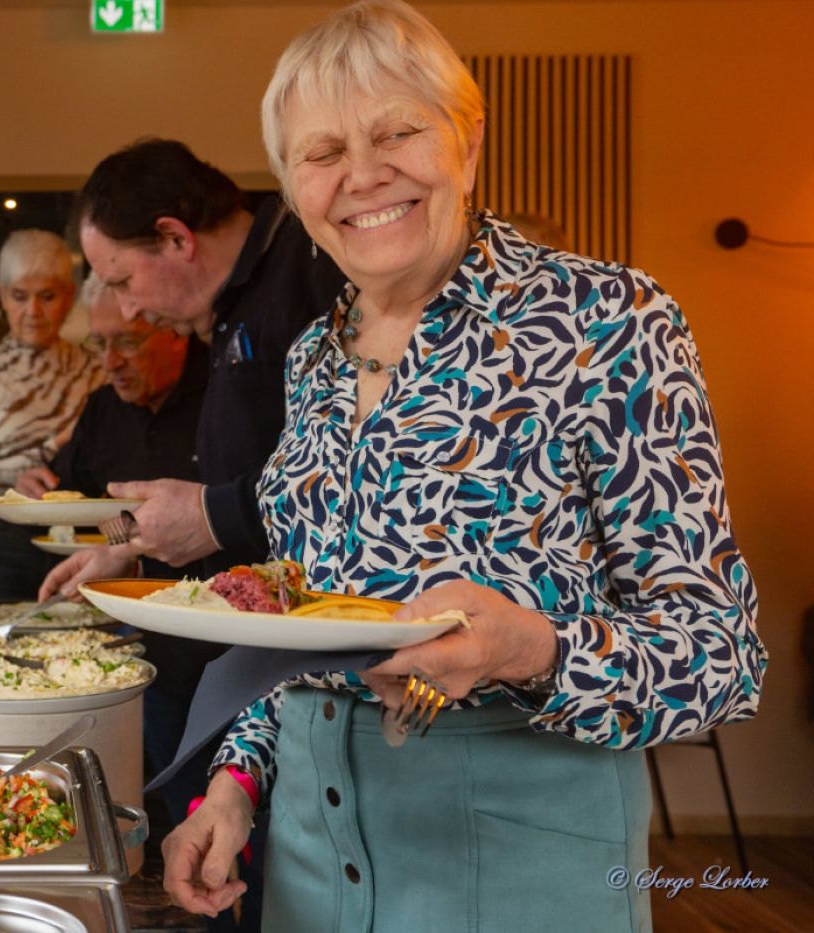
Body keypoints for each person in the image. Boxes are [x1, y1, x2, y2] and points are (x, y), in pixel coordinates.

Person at [159, 3, 766, 931]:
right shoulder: (314, 362)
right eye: (322, 155)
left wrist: (533, 649)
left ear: (468, 140)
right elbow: (302, 635)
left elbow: (722, 653)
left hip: (522, 856)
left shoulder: (607, 323)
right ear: (293, 189)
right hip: (310, 868)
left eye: (398, 131)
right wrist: (234, 785)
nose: (364, 175)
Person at [41, 139, 345, 590]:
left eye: (123, 282)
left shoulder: (313, 265)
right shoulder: (221, 314)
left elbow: (355, 466)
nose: (127, 310)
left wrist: (213, 515)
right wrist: (126, 553)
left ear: (177, 238)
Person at [15, 276, 219, 823]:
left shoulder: (227, 396)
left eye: (125, 342)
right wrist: (40, 487)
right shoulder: (103, 410)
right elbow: (84, 505)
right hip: (153, 653)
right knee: (181, 810)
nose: (108, 361)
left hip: (235, 651)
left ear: (174, 332)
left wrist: (122, 538)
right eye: (97, 343)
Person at [0, 229, 104, 604]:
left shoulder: (96, 368)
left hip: (82, 542)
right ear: (2, 295)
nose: (33, 312)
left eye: (47, 296)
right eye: (19, 296)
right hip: (1, 546)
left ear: (69, 297)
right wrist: (49, 451)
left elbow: (106, 469)